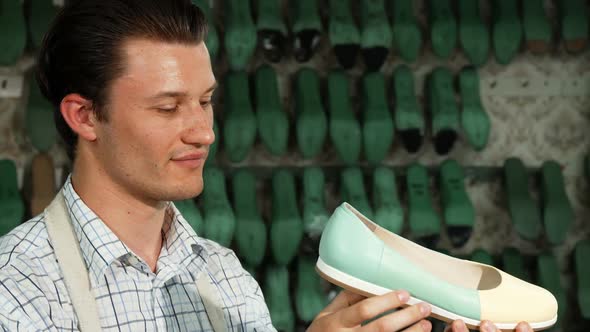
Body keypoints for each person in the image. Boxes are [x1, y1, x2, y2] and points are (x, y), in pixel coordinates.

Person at [0, 1, 534, 331]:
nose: (204, 132)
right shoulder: (18, 287)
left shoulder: (225, 275)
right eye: (167, 107)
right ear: (85, 115)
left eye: (206, 101)